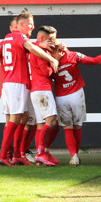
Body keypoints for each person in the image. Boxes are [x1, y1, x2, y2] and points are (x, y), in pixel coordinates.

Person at [0, 14, 47, 166]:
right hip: (16, 83)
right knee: (15, 119)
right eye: (30, 24)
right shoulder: (20, 38)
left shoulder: (5, 41)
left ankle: (17, 154)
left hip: (9, 83)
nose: (32, 27)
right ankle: (3, 155)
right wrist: (49, 57)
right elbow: (32, 48)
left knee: (24, 118)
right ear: (19, 26)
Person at [51, 38, 101, 166]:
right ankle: (75, 156)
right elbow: (95, 61)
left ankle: (74, 156)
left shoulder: (50, 60)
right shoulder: (73, 55)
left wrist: (54, 59)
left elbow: (44, 75)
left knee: (67, 127)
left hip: (61, 97)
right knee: (77, 126)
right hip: (76, 94)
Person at [29, 25, 61, 166]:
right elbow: (46, 73)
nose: (54, 42)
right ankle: (42, 153)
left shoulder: (37, 48)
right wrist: (55, 59)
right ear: (42, 39)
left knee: (42, 124)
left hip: (37, 90)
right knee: (52, 122)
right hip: (42, 90)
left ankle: (42, 154)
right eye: (51, 39)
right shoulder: (40, 52)